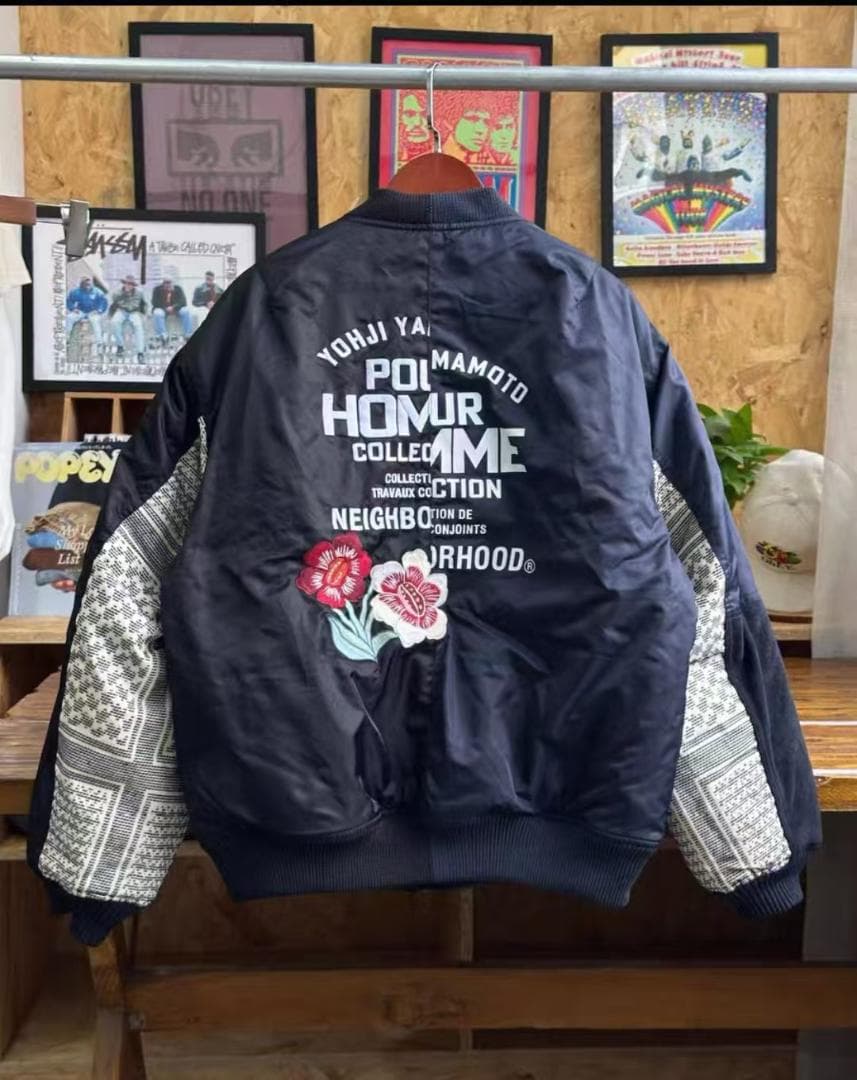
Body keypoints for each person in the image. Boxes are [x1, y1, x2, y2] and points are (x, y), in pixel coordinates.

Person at [108, 275, 146, 360]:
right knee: (114, 322)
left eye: (131, 284)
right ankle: (120, 346)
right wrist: (124, 293)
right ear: (124, 283)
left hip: (134, 311)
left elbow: (143, 304)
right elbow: (114, 300)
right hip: (122, 310)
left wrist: (144, 314)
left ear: (133, 285)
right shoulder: (118, 292)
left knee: (138, 327)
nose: (129, 285)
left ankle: (140, 352)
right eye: (127, 283)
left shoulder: (139, 292)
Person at [65, 276, 107, 348]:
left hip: (93, 312)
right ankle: (66, 338)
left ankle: (99, 342)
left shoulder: (97, 292)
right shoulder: (76, 291)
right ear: (81, 284)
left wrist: (99, 310)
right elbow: (69, 300)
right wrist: (73, 308)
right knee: (69, 317)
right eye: (85, 283)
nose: (87, 285)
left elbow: (103, 302)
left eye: (89, 283)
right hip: (81, 311)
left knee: (95, 321)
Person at [151, 276, 193, 345]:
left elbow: (183, 302)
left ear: (172, 283)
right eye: (166, 283)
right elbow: (154, 302)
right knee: (157, 313)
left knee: (186, 311)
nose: (168, 284)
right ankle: (163, 335)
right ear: (163, 283)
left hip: (176, 308)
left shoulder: (178, 288)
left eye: (169, 282)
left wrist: (173, 307)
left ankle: (188, 335)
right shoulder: (157, 289)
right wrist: (165, 308)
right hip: (162, 309)